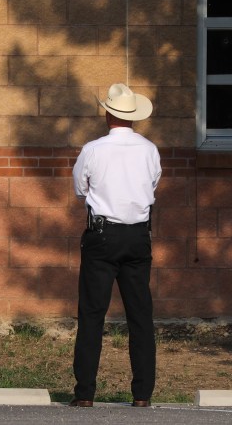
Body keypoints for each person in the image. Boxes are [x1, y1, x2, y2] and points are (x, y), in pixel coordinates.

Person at [69, 83, 161, 408]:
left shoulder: (92, 150)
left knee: (92, 314)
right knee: (140, 315)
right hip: (138, 236)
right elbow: (153, 184)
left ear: (108, 114)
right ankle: (142, 395)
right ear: (133, 117)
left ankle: (84, 394)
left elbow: (81, 190)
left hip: (102, 235)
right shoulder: (150, 150)